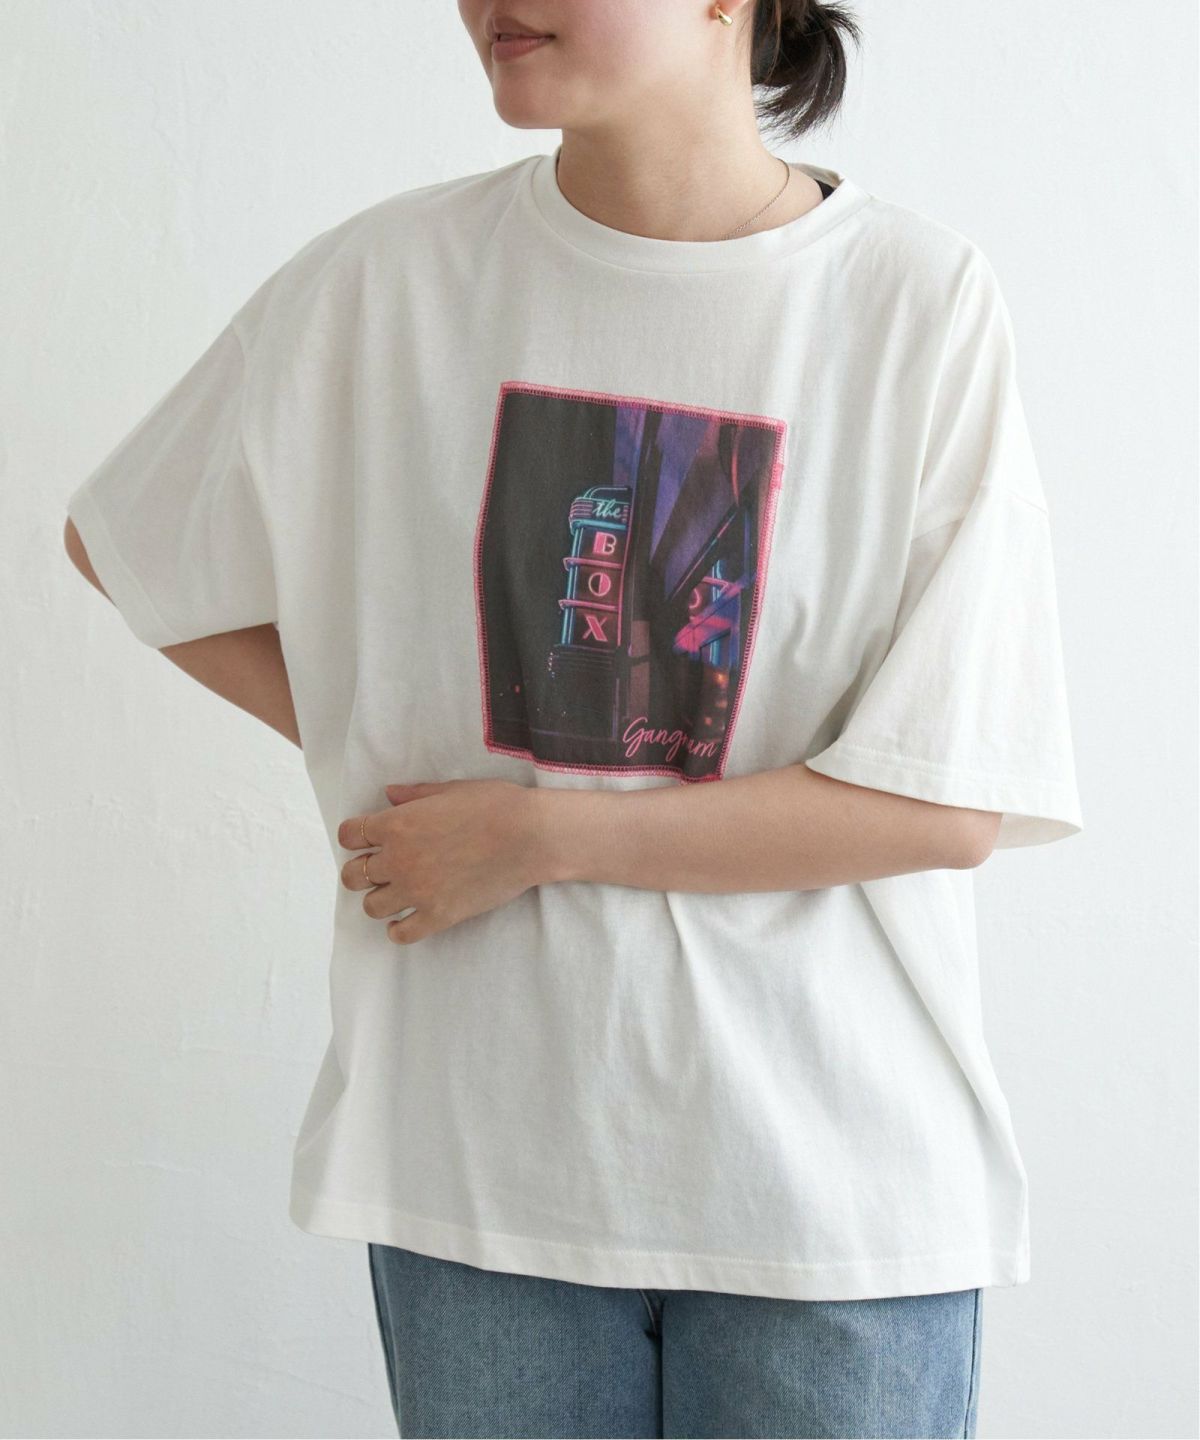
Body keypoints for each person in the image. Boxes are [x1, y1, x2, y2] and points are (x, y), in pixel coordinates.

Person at [63, 1, 1084, 1436]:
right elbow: (130, 544)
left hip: (827, 1191)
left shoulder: (912, 301)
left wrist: (539, 833)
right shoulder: (386, 283)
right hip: (485, 1173)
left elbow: (945, 795)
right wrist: (383, 743)